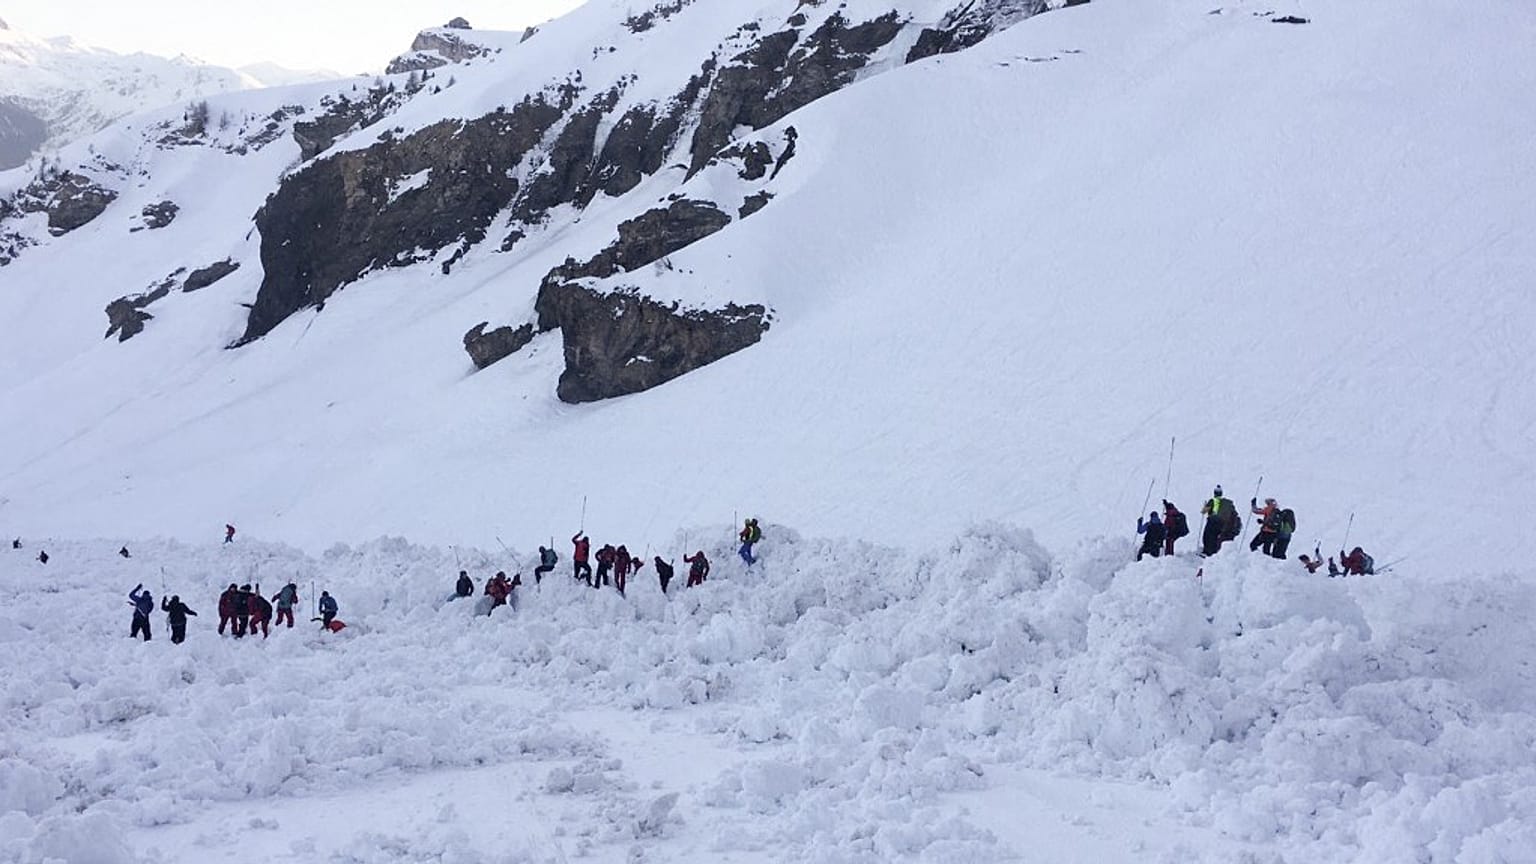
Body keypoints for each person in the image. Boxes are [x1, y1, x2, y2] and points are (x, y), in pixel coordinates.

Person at [1199, 486, 1239, 556]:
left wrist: (1205, 506)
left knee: (1208, 536)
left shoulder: (1213, 501)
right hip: (1223, 523)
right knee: (1216, 537)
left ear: (1214, 493)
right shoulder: (1228, 503)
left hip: (1212, 522)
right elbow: (1233, 513)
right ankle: (1214, 551)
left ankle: (1207, 551)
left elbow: (1204, 511)